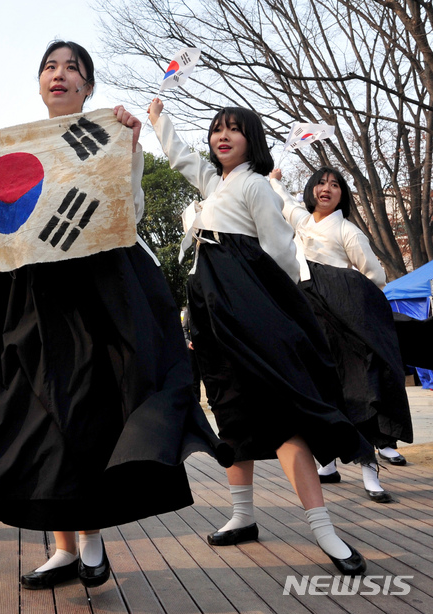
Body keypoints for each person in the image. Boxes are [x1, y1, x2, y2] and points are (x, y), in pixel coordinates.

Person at [0, 40, 231, 591]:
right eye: (50, 68)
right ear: (39, 83)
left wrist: (127, 144)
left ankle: (90, 538)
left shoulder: (110, 134)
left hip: (94, 294)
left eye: (73, 69)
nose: (60, 75)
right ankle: (62, 548)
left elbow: (127, 210)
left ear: (88, 87)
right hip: (24, 294)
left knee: (83, 411)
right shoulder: (11, 149)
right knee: (32, 416)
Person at [148, 97, 371, 576]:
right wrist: (159, 121)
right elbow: (184, 159)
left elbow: (280, 254)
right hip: (211, 307)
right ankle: (243, 516)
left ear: (252, 138)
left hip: (248, 302)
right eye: (216, 130)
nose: (221, 137)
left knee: (282, 411)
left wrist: (278, 312)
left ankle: (324, 529)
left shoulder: (255, 187)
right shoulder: (216, 183)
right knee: (230, 410)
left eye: (234, 129)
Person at [270, 168, 413, 500]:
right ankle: (328, 464)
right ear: (311, 190)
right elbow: (282, 199)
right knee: (319, 392)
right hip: (308, 320)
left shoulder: (348, 231)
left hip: (344, 325)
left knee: (357, 393)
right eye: (321, 183)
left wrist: (345, 295)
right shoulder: (301, 221)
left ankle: (369, 470)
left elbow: (374, 277)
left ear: (342, 196)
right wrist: (273, 177)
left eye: (335, 185)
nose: (327, 188)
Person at [181, 304, 202, 402]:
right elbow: (184, 329)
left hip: (203, 347)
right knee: (194, 376)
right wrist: (188, 342)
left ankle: (212, 399)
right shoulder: (187, 311)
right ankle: (196, 400)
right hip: (192, 348)